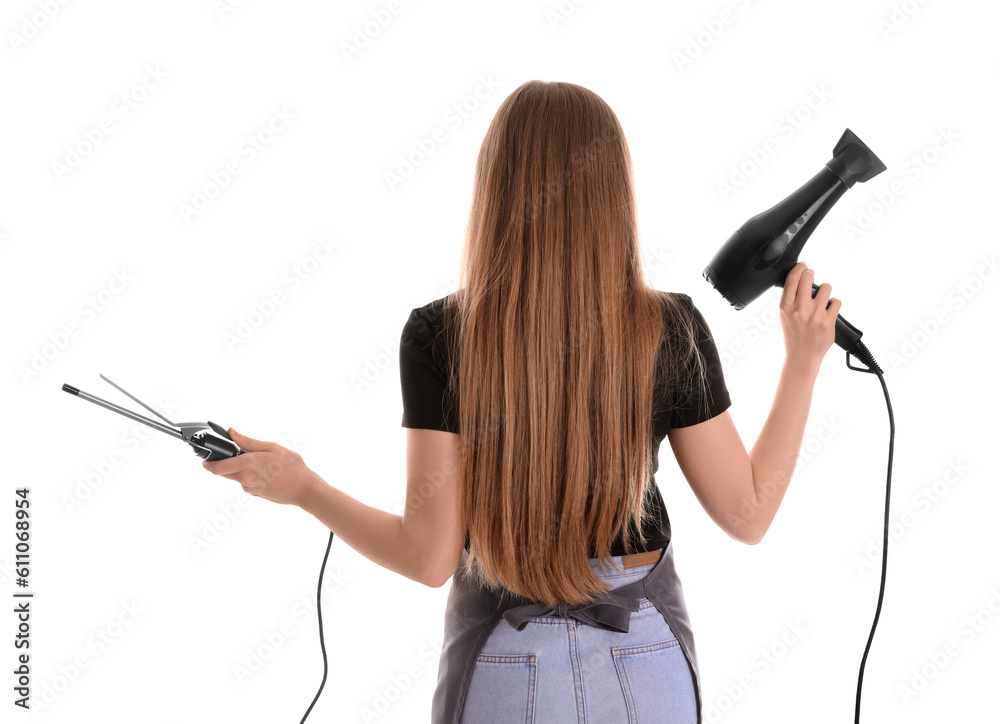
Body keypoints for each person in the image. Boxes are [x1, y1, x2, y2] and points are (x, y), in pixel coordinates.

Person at [202, 80, 841, 723]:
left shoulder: (440, 335)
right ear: (614, 193)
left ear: (495, 189)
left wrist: (302, 485)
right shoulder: (669, 328)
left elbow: (429, 559)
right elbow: (748, 515)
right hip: (644, 664)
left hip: (506, 670)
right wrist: (803, 361)